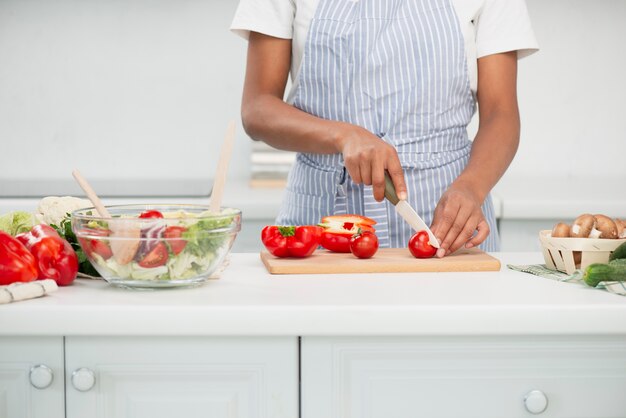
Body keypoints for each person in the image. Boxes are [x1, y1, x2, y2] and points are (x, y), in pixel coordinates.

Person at [231, 0, 538, 257]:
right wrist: (342, 135)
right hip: (321, 227)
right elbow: (257, 108)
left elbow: (501, 113)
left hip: (446, 224)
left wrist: (472, 187)